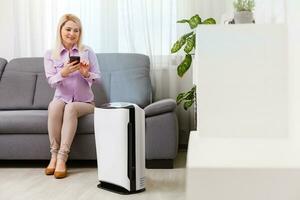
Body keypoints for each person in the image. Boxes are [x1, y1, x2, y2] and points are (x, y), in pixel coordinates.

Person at [43, 14, 100, 179]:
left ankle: (62, 158)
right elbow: (51, 81)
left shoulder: (87, 51)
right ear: (60, 30)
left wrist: (86, 73)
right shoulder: (50, 54)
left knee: (71, 108)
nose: (72, 33)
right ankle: (53, 156)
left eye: (76, 30)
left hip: (86, 102)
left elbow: (97, 77)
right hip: (61, 98)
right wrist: (63, 73)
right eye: (68, 29)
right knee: (54, 105)